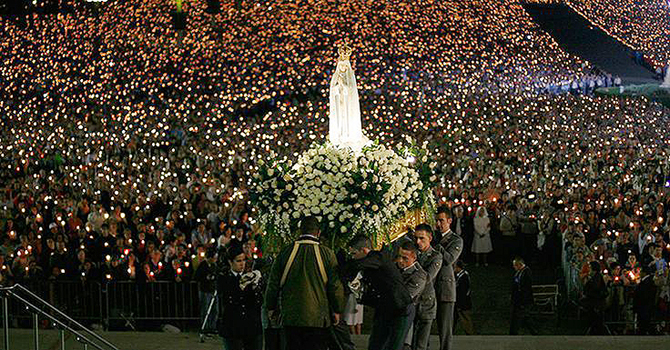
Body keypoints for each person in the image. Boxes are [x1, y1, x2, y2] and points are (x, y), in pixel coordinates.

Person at [264, 216, 345, 350]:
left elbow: (273, 283)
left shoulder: (286, 252)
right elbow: (335, 286)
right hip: (318, 317)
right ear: (318, 232)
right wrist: (337, 309)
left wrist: (270, 307)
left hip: (291, 316)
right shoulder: (327, 254)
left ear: (299, 231)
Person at [347, 234, 412, 350]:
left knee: (394, 346)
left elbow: (357, 265)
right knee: (375, 345)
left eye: (354, 254)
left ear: (364, 250)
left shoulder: (377, 257)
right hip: (385, 308)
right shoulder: (369, 263)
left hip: (401, 308)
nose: (352, 257)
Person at [218, 243, 263, 350]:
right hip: (233, 327)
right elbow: (228, 298)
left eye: (243, 260)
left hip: (251, 325)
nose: (242, 264)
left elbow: (258, 301)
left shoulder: (251, 276)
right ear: (230, 262)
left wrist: (255, 286)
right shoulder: (224, 278)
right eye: (238, 261)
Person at [434, 206, 463, 350]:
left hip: (445, 288)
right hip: (429, 287)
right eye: (437, 221)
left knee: (445, 329)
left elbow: (449, 259)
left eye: (442, 221)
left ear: (450, 221)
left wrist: (434, 245)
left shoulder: (456, 240)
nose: (439, 224)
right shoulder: (432, 236)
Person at [412, 224, 442, 350]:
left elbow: (428, 278)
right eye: (416, 238)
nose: (418, 242)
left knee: (421, 344)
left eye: (422, 238)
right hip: (413, 302)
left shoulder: (436, 256)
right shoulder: (412, 253)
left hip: (426, 302)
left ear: (429, 238)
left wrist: (413, 264)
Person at [396, 241, 426, 350]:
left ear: (414, 257)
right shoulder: (395, 268)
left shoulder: (419, 275)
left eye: (405, 258)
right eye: (399, 256)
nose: (400, 261)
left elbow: (405, 297)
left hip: (408, 316)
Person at [194, 248, 219, 335]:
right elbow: (196, 277)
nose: (216, 259)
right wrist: (206, 278)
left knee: (215, 310)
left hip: (213, 290)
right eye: (214, 257)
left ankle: (213, 327)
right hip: (205, 290)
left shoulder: (214, 266)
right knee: (205, 310)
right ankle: (205, 327)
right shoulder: (202, 265)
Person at [510, 257, 537, 335]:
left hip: (523, 300)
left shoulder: (526, 273)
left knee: (521, 316)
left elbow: (526, 289)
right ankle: (532, 331)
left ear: (519, 265)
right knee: (522, 316)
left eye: (515, 265)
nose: (514, 267)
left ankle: (532, 331)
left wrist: (522, 301)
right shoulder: (520, 272)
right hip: (519, 300)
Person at [581, 261, 607, 335]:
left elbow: (595, 288)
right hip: (594, 301)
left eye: (590, 267)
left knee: (596, 319)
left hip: (595, 302)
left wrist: (587, 293)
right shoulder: (595, 276)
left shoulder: (597, 277)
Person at [633, 265, 657, 335]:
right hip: (645, 304)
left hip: (644, 304)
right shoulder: (648, 280)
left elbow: (643, 293)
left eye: (641, 272)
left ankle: (644, 330)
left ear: (644, 273)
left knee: (644, 318)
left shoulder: (646, 281)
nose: (639, 273)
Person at [453, 260, 474, 335]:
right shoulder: (457, 275)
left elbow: (464, 292)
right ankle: (451, 332)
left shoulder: (464, 276)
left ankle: (469, 332)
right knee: (453, 319)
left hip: (463, 303)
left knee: (465, 318)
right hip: (457, 302)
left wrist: (460, 303)